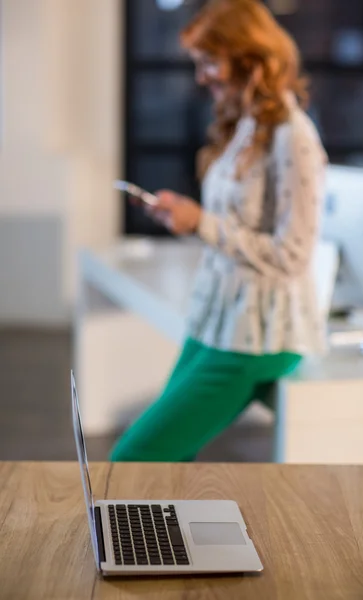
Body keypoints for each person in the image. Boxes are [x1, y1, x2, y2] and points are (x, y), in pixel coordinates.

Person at [110, 0, 327, 462]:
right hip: (218, 320)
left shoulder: (294, 135)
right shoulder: (247, 126)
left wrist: (203, 223)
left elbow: (292, 254)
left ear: (249, 57)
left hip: (256, 337)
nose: (201, 76)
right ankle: (164, 535)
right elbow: (237, 227)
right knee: (164, 456)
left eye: (210, 62)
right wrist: (187, 218)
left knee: (135, 459)